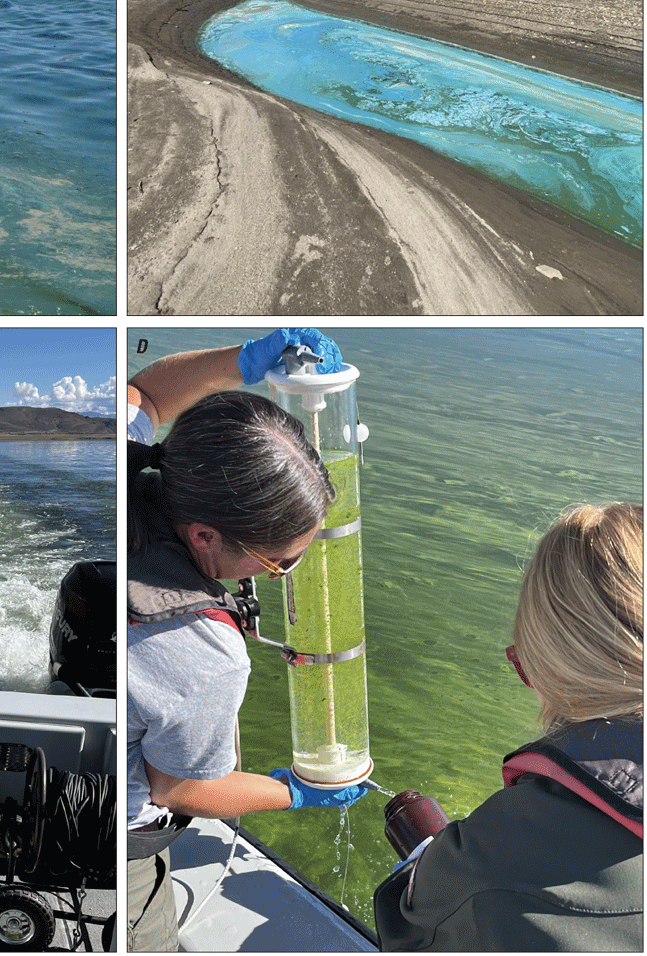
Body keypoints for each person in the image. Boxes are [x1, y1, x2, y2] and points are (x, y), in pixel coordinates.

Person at [127, 328, 366, 952]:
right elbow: (178, 789)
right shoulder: (201, 653)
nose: (285, 573)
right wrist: (294, 791)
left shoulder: (122, 460)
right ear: (204, 536)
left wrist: (245, 360)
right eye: (278, 562)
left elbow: (146, 394)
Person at [374, 502, 643, 951]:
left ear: (556, 671)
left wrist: (439, 865)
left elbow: (409, 934)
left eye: (527, 667)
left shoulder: (492, 859)